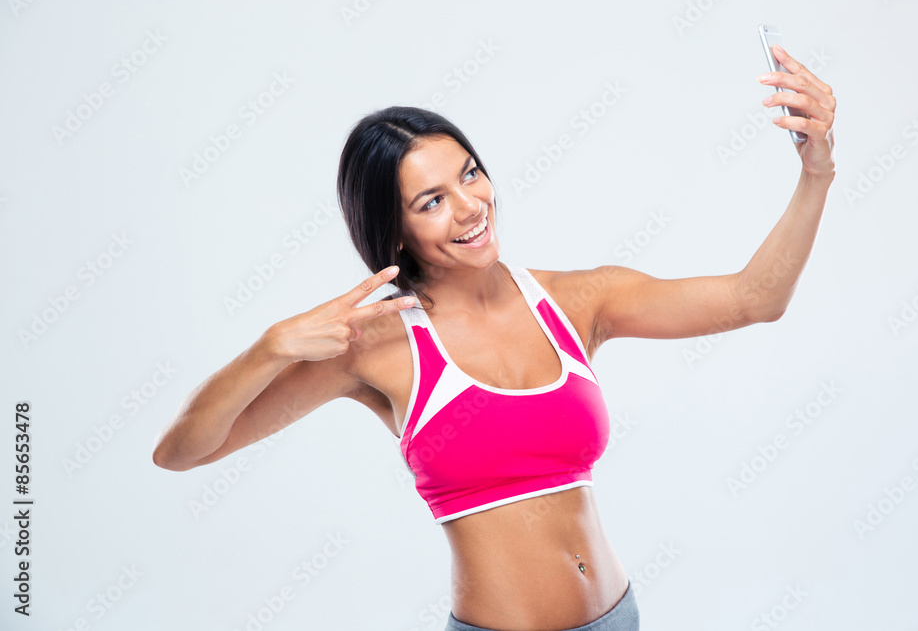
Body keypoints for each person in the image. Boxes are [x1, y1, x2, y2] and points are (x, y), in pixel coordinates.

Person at [153, 45, 836, 631]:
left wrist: (816, 172)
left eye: (469, 174)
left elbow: (755, 298)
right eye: (432, 201)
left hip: (618, 615)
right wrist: (271, 345)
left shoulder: (578, 301)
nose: (470, 206)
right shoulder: (372, 345)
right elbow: (183, 451)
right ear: (395, 230)